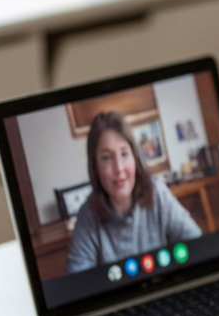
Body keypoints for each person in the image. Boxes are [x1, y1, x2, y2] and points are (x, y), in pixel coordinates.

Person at [67, 111, 202, 273]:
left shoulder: (156, 192)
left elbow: (196, 244)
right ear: (94, 166)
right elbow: (78, 280)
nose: (119, 168)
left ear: (135, 157)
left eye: (124, 154)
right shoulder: (87, 216)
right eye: (106, 158)